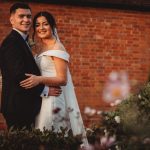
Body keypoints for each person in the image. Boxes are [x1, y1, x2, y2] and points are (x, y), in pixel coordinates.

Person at [20, 11, 88, 146]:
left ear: (52, 26)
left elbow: (62, 79)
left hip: (54, 99)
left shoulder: (58, 48)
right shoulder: (40, 47)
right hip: (43, 98)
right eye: (38, 25)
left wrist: (39, 80)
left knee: (52, 135)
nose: (41, 28)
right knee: (42, 135)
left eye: (45, 24)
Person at [0, 3, 61, 129]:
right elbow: (19, 76)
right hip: (18, 107)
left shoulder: (22, 40)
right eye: (21, 16)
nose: (26, 20)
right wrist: (45, 90)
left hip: (26, 105)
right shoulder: (12, 42)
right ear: (12, 20)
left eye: (28, 16)